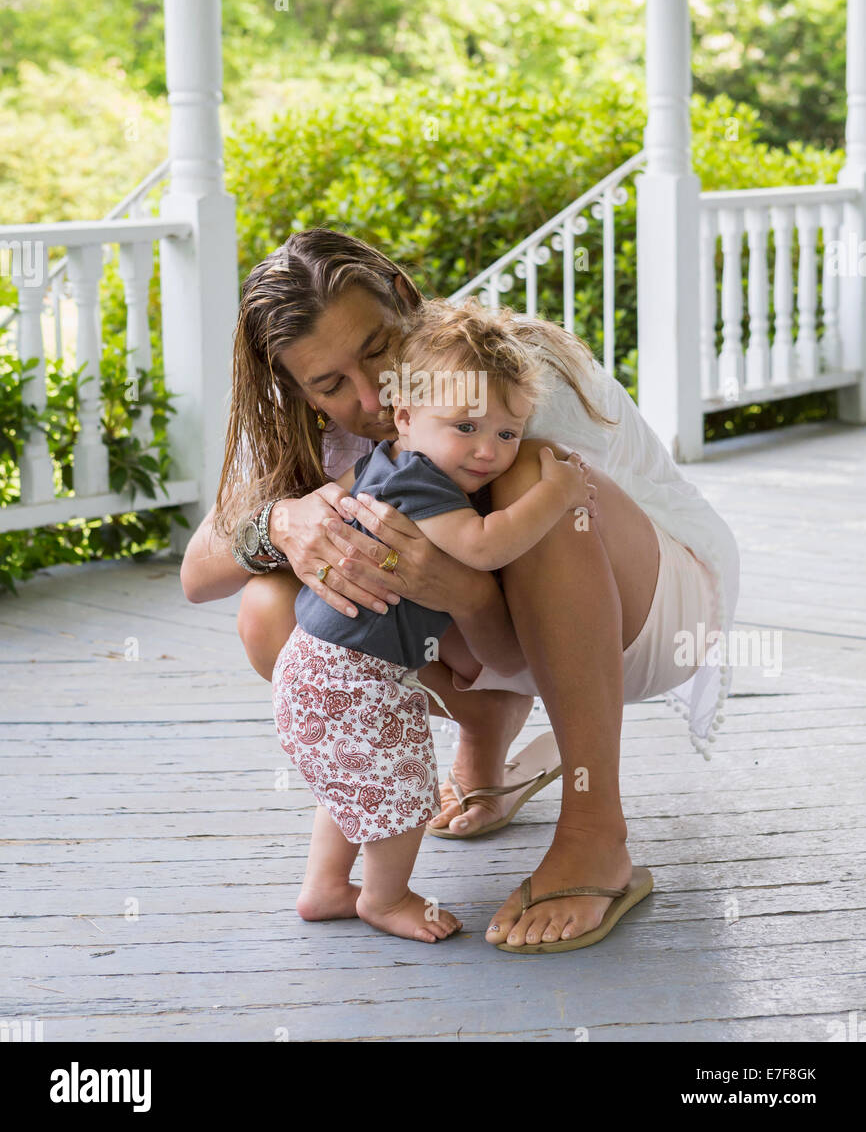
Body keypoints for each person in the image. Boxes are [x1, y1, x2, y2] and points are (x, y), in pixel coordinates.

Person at [181, 227, 739, 955]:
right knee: (271, 608)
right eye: (329, 384)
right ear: (296, 386)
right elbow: (199, 571)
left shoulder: (494, 377)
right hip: (510, 627)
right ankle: (481, 735)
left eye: (378, 350)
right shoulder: (326, 425)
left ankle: (595, 829)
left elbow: (532, 578)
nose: (373, 395)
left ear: (407, 301)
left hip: (656, 607)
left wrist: (460, 589)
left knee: (531, 478)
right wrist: (284, 520)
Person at [273, 296, 595, 943]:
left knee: (361, 781)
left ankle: (327, 887)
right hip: (350, 677)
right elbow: (484, 545)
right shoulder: (419, 482)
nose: (488, 451)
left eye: (508, 433)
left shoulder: (387, 464)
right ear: (406, 418)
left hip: (319, 670)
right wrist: (556, 493)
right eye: (466, 427)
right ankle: (386, 898)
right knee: (402, 788)